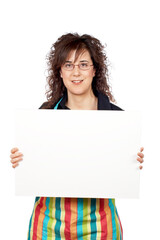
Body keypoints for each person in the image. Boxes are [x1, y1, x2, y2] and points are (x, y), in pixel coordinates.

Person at [10, 33, 144, 240]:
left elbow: (122, 172)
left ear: (94, 70)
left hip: (101, 225)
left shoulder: (117, 119)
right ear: (60, 72)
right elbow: (34, 167)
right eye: (68, 65)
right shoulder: (43, 116)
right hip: (48, 223)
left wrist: (132, 162)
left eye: (83, 64)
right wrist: (21, 159)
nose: (76, 72)